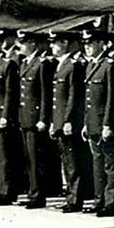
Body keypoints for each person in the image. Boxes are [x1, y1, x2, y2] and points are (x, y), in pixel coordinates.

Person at [81, 29, 114, 217]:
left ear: (101, 44)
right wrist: (85, 123)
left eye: (91, 44)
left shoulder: (109, 65)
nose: (87, 47)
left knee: (110, 165)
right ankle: (99, 200)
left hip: (104, 123)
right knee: (97, 164)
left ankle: (111, 202)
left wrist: (108, 123)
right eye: (86, 44)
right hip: (92, 123)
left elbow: (111, 98)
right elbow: (89, 100)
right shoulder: (91, 66)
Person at [48, 30, 91, 213]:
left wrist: (67, 120)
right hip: (59, 119)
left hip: (69, 121)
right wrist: (54, 121)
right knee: (67, 161)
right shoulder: (62, 64)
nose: (52, 47)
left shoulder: (73, 65)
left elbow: (74, 96)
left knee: (73, 162)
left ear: (64, 43)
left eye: (55, 43)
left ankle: (75, 198)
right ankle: (71, 196)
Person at [15, 31, 59, 209]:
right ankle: (32, 191)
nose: (21, 47)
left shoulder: (41, 64)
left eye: (23, 43)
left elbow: (45, 95)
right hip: (25, 118)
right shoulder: (26, 63)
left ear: (32, 44)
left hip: (35, 119)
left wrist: (43, 119)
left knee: (36, 159)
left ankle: (38, 195)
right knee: (29, 158)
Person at [0, 29, 23, 206]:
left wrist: (5, 115)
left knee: (4, 157)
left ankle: (6, 192)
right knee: (0, 155)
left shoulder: (8, 64)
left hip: (2, 116)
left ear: (0, 45)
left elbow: (10, 93)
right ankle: (3, 189)